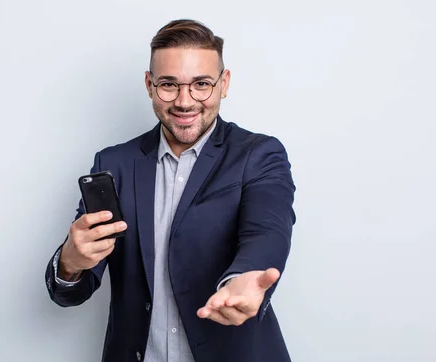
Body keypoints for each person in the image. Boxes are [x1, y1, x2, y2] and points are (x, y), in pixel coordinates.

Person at [45, 19, 296, 362]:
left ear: (224, 84)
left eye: (201, 84)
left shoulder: (258, 155)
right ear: (149, 85)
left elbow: (267, 229)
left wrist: (245, 278)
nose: (184, 101)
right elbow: (71, 291)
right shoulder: (115, 162)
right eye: (168, 85)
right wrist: (70, 263)